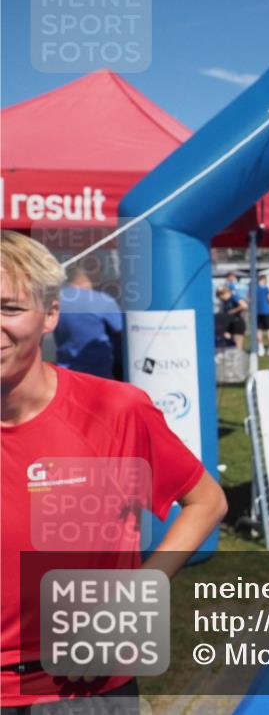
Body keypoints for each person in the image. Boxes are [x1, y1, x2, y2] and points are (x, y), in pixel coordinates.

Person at [0, 231, 227, 710]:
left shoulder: (114, 410)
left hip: (82, 691)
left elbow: (206, 501)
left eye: (9, 308)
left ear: (51, 314)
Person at [53, 261, 123, 380]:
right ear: (92, 275)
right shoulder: (103, 301)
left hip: (64, 375)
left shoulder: (55, 299)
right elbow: (122, 332)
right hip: (98, 376)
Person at [216, 283, 247, 350]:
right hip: (229, 324)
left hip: (237, 322)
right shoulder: (224, 302)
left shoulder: (234, 297)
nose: (220, 299)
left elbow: (244, 305)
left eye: (220, 296)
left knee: (238, 345)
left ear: (223, 293)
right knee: (230, 344)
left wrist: (234, 311)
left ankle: (239, 359)